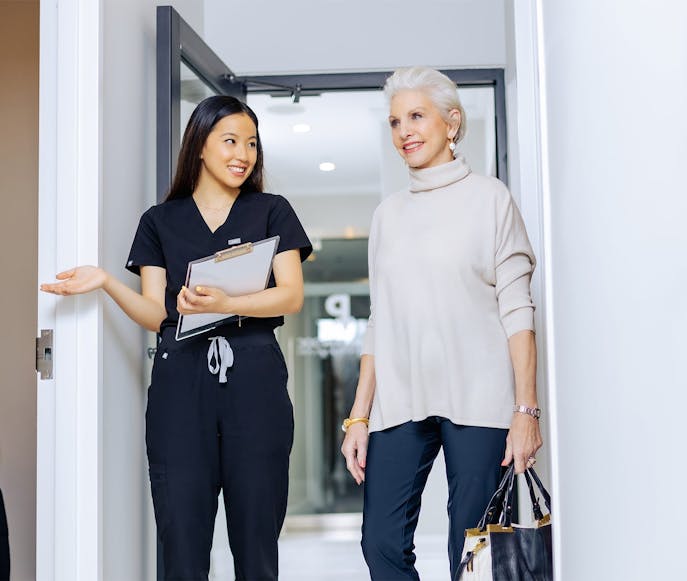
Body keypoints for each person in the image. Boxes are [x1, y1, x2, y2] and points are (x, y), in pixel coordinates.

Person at [41, 95, 312, 580]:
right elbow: (154, 311)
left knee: (256, 539)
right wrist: (105, 280)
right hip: (179, 381)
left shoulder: (271, 211)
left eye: (251, 143)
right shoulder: (160, 221)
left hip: (255, 377)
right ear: (200, 147)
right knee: (181, 540)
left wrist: (224, 303)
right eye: (230, 141)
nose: (243, 154)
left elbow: (290, 296)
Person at [340, 66, 543, 580]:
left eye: (416, 116)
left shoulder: (491, 199)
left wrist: (526, 411)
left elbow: (518, 310)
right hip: (401, 398)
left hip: (480, 397)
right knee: (380, 543)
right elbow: (380, 320)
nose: (404, 131)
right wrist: (358, 416)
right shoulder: (388, 215)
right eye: (393, 121)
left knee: (471, 550)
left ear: (452, 123)